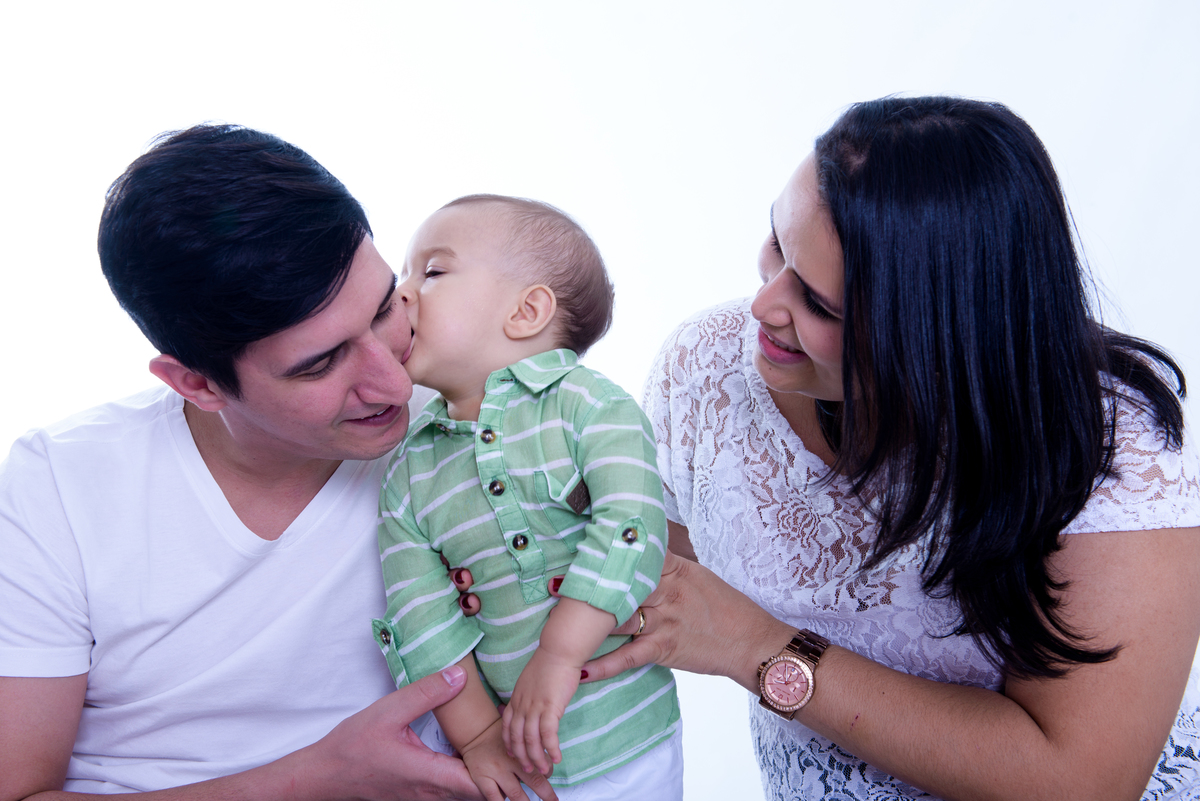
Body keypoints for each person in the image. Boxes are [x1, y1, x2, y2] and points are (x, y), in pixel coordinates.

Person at [573, 97, 1200, 799]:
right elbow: (651, 570)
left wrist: (758, 647)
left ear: (938, 334)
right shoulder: (707, 368)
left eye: (819, 304)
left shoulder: (1113, 452)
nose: (763, 306)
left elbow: (1080, 781)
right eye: (777, 243)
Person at [0, 124, 483, 800]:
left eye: (383, 310)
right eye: (320, 363)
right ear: (196, 383)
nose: (396, 385)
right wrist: (319, 779)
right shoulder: (60, 484)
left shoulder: (474, 424)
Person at [375, 195, 682, 801]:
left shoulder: (592, 406)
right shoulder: (407, 470)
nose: (400, 294)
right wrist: (477, 735)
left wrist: (560, 653)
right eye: (403, 274)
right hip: (510, 766)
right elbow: (421, 617)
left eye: (431, 272)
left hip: (632, 743)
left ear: (527, 311)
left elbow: (633, 526)